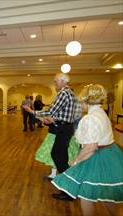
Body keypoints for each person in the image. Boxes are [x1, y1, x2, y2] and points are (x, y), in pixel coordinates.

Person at [52, 84, 123, 216]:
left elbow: (90, 147)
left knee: (86, 193)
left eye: (81, 101)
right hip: (110, 155)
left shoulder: (90, 118)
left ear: (87, 100)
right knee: (107, 191)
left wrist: (76, 160)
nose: (80, 104)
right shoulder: (101, 112)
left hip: (97, 156)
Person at [24, 73, 77, 201]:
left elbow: (51, 111)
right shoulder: (70, 93)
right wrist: (52, 120)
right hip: (64, 127)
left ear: (63, 81)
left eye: (56, 81)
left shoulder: (64, 93)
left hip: (63, 129)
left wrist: (32, 112)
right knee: (59, 157)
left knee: (59, 157)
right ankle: (68, 187)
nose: (55, 84)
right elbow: (60, 113)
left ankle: (70, 188)